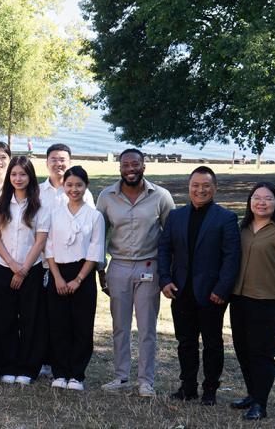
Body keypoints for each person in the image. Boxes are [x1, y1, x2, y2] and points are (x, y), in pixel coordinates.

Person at [96, 148, 175, 397]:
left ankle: (145, 381)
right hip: (118, 265)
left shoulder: (161, 196)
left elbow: (171, 236)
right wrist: (101, 270)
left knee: (146, 327)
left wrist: (167, 274)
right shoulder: (106, 196)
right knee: (120, 325)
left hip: (149, 267)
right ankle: (121, 377)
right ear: (120, 168)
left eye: (135, 164)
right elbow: (98, 235)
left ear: (144, 166)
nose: (130, 169)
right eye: (125, 165)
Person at [158, 166, 241, 405]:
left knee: (213, 344)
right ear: (189, 187)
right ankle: (188, 387)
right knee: (186, 342)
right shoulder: (176, 216)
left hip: (212, 293)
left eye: (206, 186)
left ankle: (210, 390)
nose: (200, 190)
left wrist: (222, 289)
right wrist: (165, 279)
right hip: (181, 290)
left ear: (214, 188)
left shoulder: (225, 218)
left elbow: (231, 257)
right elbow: (164, 249)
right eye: (195, 185)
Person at [230, 182, 275, 420]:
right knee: (243, 351)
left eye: (268, 198)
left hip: (267, 303)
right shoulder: (242, 229)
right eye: (256, 197)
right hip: (239, 300)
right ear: (250, 202)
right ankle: (252, 394)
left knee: (262, 354)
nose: (261, 202)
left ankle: (260, 403)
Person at [0, 156, 49, 384]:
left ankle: (27, 368)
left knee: (30, 319)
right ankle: (8, 365)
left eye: (22, 174)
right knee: (5, 319)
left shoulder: (39, 206)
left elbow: (40, 240)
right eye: (14, 174)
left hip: (30, 269)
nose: (18, 178)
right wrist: (13, 266)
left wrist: (23, 269)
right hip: (4, 267)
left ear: (30, 177)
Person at [44, 166, 103, 391]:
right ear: (63, 186)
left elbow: (96, 250)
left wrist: (78, 280)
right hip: (58, 272)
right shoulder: (55, 214)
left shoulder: (95, 216)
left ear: (85, 186)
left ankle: (77, 375)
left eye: (78, 185)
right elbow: (48, 247)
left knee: (82, 326)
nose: (73, 189)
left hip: (83, 274)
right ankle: (59, 372)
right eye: (69, 185)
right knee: (58, 325)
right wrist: (57, 278)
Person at [40, 144, 94, 210]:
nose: (58, 164)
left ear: (69, 163)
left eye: (62, 160)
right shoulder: (37, 192)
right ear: (47, 163)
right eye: (54, 160)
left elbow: (91, 216)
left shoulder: (82, 192)